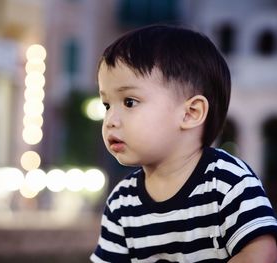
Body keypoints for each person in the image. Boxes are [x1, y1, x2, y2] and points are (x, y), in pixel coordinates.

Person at [90, 24, 277, 262]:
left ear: (191, 113)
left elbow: (262, 253)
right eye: (107, 105)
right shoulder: (121, 202)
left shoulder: (227, 181)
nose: (110, 121)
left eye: (129, 102)